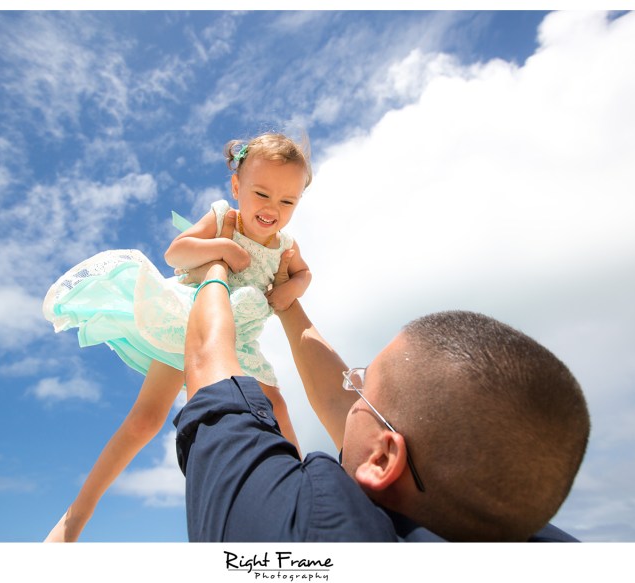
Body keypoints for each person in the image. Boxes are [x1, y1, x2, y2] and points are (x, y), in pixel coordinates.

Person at [176, 250, 591, 541]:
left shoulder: (297, 536)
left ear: (383, 458)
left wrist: (216, 266)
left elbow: (206, 356)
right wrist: (286, 301)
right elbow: (343, 406)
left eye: (362, 392)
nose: (350, 392)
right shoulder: (518, 527)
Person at [41, 132, 313, 542]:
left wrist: (292, 288)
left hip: (240, 339)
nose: (272, 209)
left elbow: (304, 275)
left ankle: (302, 496)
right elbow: (176, 253)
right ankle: (75, 516)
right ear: (237, 187)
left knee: (277, 406)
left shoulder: (285, 246)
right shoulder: (225, 219)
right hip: (191, 322)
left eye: (287, 201)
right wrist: (220, 247)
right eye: (261, 193)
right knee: (146, 420)